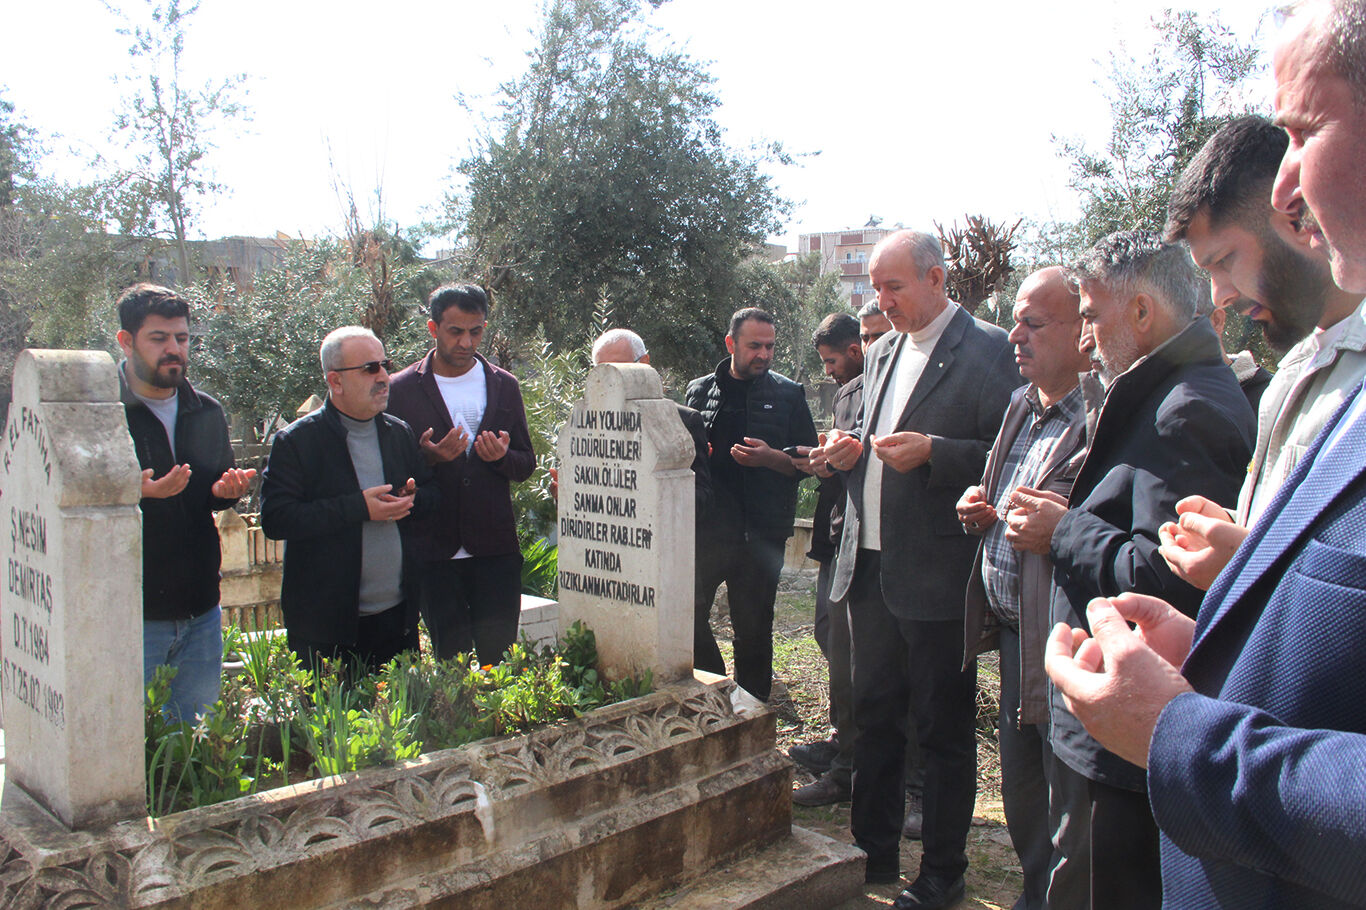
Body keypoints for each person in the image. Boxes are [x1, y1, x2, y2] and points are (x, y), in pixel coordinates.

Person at [1049, 2, 1366, 905]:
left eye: (1305, 131)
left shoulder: (1198, 403)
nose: (1287, 189)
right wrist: (1238, 604)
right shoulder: (1310, 372)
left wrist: (1180, 730)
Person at [1019, 232, 1253, 908]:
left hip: (1123, 746)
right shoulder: (1164, 392)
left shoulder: (1188, 409)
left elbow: (1167, 583)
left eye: (1091, 315)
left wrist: (1064, 529)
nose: (1086, 339)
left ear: (1144, 313)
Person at [812, 230, 1020, 908]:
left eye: (894, 286)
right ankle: (871, 855)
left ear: (936, 278)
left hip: (936, 575)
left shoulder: (990, 351)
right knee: (874, 718)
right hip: (868, 566)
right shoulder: (883, 350)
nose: (882, 300)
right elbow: (871, 438)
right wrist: (847, 452)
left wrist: (936, 451)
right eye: (876, 287)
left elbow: (1008, 456)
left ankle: (942, 874)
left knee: (941, 732)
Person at [1160, 113, 1366, 589]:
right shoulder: (1292, 373)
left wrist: (1249, 561)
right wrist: (1237, 533)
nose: (1220, 297)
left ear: (1292, 218)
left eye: (1224, 261)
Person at [958, 267, 1092, 910]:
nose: (1015, 336)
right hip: (1014, 633)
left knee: (1067, 792)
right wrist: (981, 506)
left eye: (1033, 324)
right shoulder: (1020, 405)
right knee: (1020, 785)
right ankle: (1034, 890)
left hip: (1063, 638)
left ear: (1082, 329)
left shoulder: (1101, 415)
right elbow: (1008, 498)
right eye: (1015, 320)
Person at [260, 326, 437, 675]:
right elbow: (276, 518)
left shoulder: (398, 432)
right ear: (335, 382)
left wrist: (412, 499)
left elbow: (432, 495)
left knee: (400, 727)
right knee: (331, 728)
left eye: (385, 365)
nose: (384, 376)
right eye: (370, 368)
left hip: (396, 621)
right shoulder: (297, 442)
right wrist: (359, 508)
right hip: (326, 629)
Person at [116, 283, 254, 722]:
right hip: (130, 617)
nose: (173, 349)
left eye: (181, 338)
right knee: (131, 750)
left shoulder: (206, 411)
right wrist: (132, 492)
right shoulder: (100, 413)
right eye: (159, 339)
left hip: (201, 610)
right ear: (126, 340)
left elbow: (211, 492)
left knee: (192, 748)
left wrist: (226, 492)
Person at [386, 284, 535, 665]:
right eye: (456, 331)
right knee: (452, 667)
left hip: (495, 547)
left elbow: (525, 463)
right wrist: (429, 459)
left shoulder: (504, 385)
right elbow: (389, 472)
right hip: (433, 550)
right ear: (433, 329)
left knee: (500, 662)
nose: (467, 342)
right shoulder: (401, 389)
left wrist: (500, 458)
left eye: (476, 331)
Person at [685, 308, 818, 702]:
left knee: (754, 633)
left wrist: (770, 458)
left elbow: (811, 462)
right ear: (731, 345)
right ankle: (714, 698)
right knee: (686, 619)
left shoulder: (789, 394)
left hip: (761, 536)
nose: (763, 354)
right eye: (754, 345)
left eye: (770, 346)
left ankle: (753, 716)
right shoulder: (698, 391)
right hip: (706, 533)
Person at [790, 312, 865, 807]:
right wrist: (819, 463)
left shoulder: (881, 387)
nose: (829, 371)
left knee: (854, 650)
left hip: (867, 539)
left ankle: (855, 762)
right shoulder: (844, 395)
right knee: (828, 634)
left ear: (856, 349)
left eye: (832, 360)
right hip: (836, 533)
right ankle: (845, 741)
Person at [589, 327, 711, 514]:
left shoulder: (683, 421)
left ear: (645, 362)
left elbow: (702, 501)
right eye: (602, 370)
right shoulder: (587, 424)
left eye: (620, 368)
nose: (611, 379)